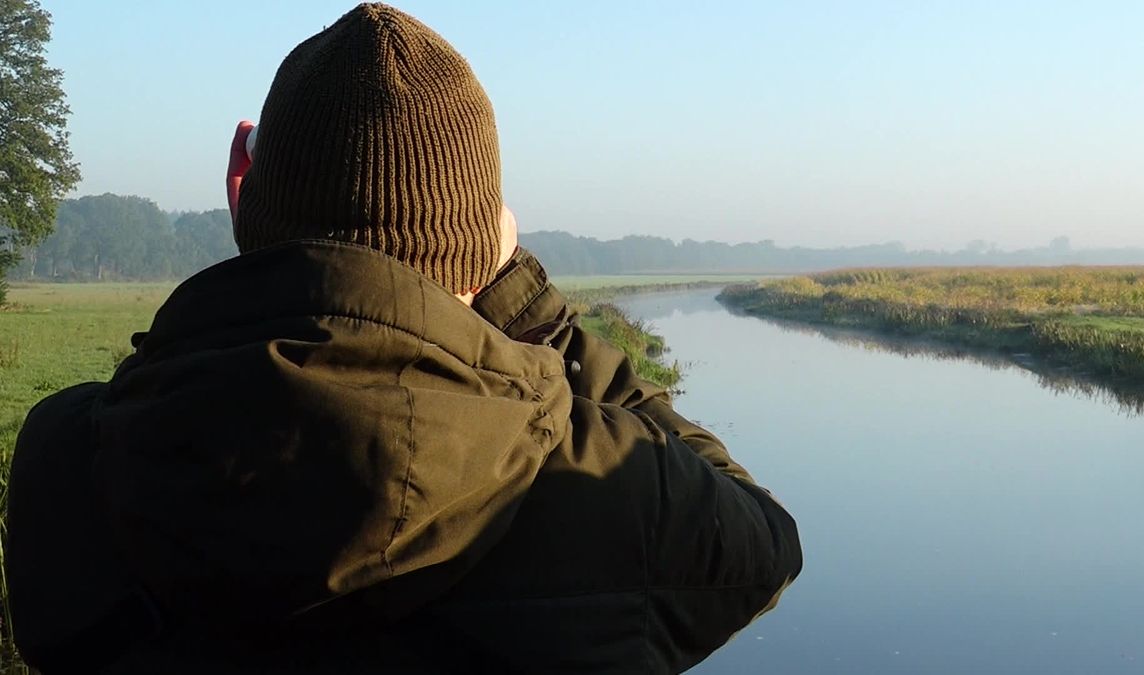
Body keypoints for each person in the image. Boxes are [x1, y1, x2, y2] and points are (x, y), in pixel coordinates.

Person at [5, 4, 802, 673]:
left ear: (246, 200)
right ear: (482, 240)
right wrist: (530, 309)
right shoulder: (602, 488)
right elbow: (763, 543)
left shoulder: (68, 461)